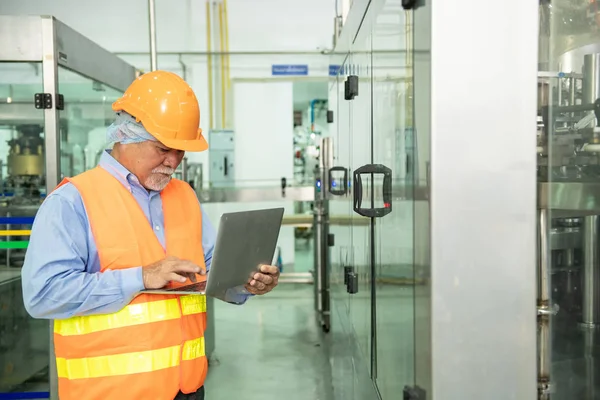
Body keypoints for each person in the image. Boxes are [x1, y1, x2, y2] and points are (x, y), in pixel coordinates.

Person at [21, 70, 280, 400]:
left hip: (187, 390)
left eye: (181, 152)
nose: (173, 162)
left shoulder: (184, 195)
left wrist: (247, 282)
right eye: (162, 149)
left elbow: (211, 271)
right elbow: (43, 294)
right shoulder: (72, 201)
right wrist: (141, 277)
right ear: (126, 136)